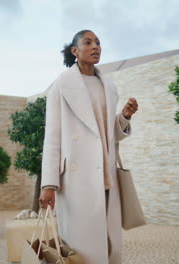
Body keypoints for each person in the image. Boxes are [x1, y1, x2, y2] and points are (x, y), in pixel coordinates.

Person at [39, 29, 138, 264]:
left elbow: (106, 136)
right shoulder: (60, 85)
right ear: (75, 51)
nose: (96, 47)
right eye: (88, 42)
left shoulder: (109, 86)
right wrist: (49, 184)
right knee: (81, 247)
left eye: (98, 43)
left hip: (106, 174)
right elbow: (52, 137)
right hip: (75, 180)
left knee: (108, 242)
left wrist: (123, 117)